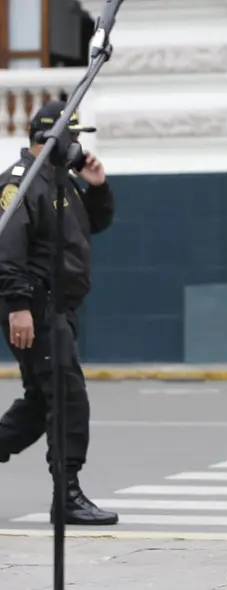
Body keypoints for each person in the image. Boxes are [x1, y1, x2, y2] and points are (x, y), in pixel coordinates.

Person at [0, 101, 118, 526]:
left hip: (59, 309)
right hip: (34, 306)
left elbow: (94, 224)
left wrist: (98, 186)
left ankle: (66, 494)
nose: (79, 144)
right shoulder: (20, 183)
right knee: (67, 398)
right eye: (74, 136)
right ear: (52, 137)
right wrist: (18, 307)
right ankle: (66, 497)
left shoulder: (59, 181)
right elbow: (7, 249)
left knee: (41, 401)